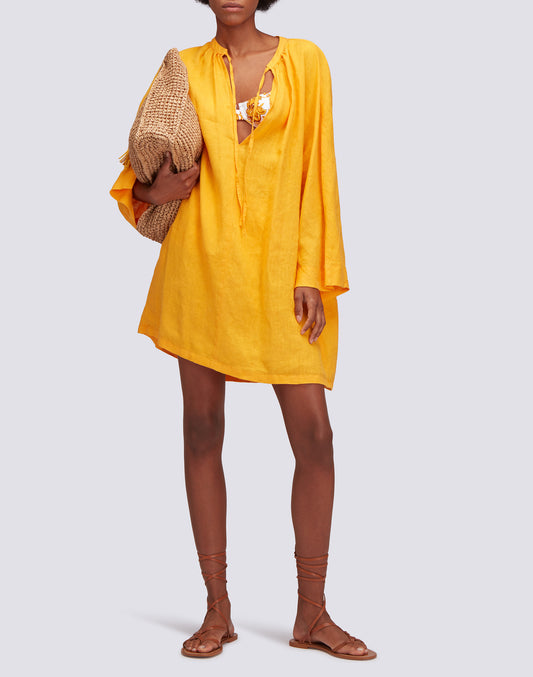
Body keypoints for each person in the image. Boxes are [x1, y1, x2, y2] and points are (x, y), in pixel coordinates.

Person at [110, 0, 377, 661]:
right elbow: (138, 177)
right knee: (202, 429)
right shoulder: (182, 68)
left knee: (314, 436)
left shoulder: (305, 61)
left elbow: (319, 170)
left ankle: (313, 613)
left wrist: (313, 271)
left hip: (286, 275)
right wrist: (156, 191)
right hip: (200, 272)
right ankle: (216, 609)